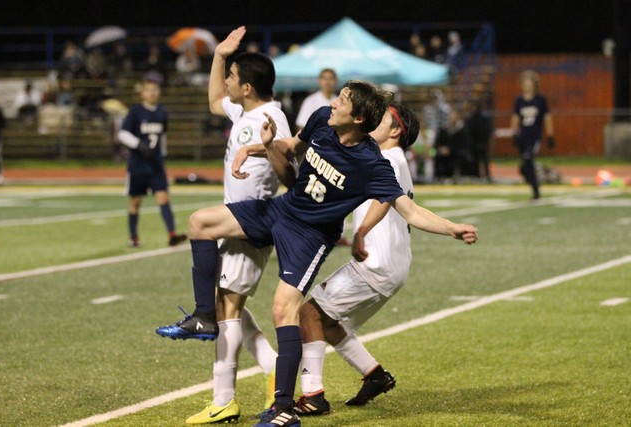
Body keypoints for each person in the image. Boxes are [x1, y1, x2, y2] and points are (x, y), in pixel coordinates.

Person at [156, 26, 478, 427]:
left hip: (309, 237)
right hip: (284, 209)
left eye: (342, 100)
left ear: (357, 118)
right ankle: (205, 315)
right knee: (200, 222)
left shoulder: (372, 164)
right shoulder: (322, 120)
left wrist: (452, 228)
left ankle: (283, 408)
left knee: (283, 309)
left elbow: (410, 211)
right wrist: (260, 146)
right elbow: (293, 148)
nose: (333, 102)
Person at [167, 28, 292, 425]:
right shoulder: (244, 111)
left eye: (233, 76)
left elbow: (290, 169)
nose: (227, 82)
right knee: (229, 304)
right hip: (235, 221)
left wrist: (264, 148)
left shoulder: (272, 118)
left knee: (225, 309)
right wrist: (220, 55)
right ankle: (273, 369)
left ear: (248, 87)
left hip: (250, 220)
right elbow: (212, 100)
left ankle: (224, 400)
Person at [293, 102, 420, 416]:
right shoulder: (393, 159)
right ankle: (374, 375)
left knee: (308, 314)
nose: (374, 121)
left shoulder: (387, 158)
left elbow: (386, 201)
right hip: (390, 264)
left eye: (383, 118)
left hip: (375, 263)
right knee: (327, 321)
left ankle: (313, 395)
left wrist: (361, 231)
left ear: (395, 130)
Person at [117, 79, 187, 247]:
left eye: (155, 89)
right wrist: (138, 145)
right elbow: (122, 134)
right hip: (138, 164)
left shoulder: (162, 112)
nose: (152, 93)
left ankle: (172, 235)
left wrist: (162, 155)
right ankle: (134, 237)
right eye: (148, 90)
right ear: (142, 93)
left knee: (163, 197)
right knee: (136, 200)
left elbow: (162, 136)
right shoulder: (135, 111)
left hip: (156, 164)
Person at [294, 68, 351, 246]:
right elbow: (302, 128)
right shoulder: (311, 101)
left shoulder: (341, 102)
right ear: (319, 81)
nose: (327, 82)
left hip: (338, 156)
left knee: (338, 194)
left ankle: (335, 232)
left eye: (330, 79)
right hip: (317, 154)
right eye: (324, 78)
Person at [510, 70, 555, 199]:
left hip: (534, 136)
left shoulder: (540, 100)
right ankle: (534, 184)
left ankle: (536, 191)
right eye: (524, 83)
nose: (526, 85)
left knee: (528, 159)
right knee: (524, 167)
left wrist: (550, 135)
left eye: (529, 83)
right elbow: (515, 117)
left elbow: (547, 117)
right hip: (523, 136)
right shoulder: (519, 100)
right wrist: (513, 133)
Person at [465, 99, 493, 182]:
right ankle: (476, 175)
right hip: (474, 142)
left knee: (485, 159)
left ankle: (487, 175)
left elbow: (488, 130)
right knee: (475, 160)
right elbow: (468, 131)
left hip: (482, 141)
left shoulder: (484, 118)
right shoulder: (470, 118)